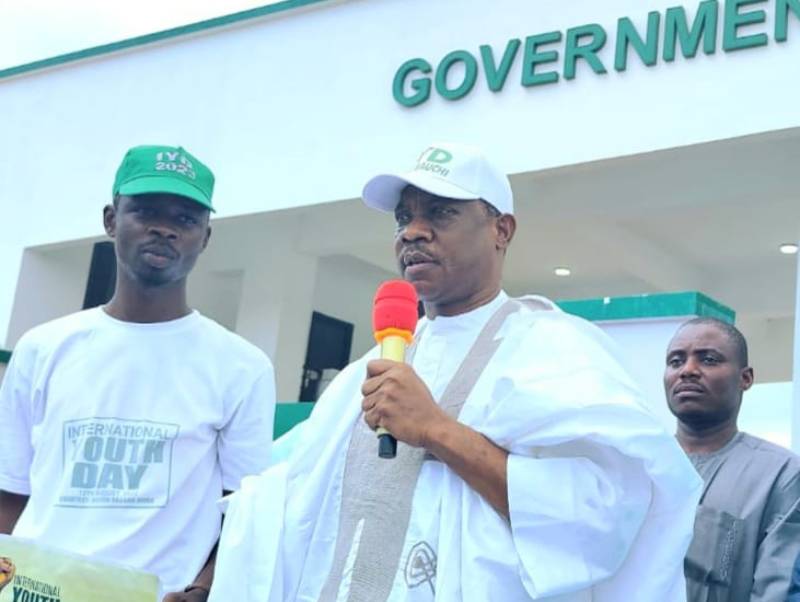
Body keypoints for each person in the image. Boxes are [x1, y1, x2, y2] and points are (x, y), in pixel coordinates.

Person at [210, 142, 701, 601]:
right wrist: (208, 573)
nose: (412, 232)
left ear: (501, 230)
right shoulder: (371, 366)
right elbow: (278, 501)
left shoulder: (553, 350)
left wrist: (437, 430)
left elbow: (604, 513)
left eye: (441, 213)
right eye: (404, 218)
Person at [0, 145, 276, 601]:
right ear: (111, 219)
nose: (164, 229)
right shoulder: (42, 348)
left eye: (186, 219)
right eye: (146, 211)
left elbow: (243, 515)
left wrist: (202, 588)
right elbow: (10, 494)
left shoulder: (241, 367)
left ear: (205, 237)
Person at [664, 317, 800, 602]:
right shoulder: (638, 465)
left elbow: (780, 590)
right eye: (676, 361)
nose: (688, 370)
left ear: (745, 378)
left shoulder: (782, 475)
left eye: (709, 360)